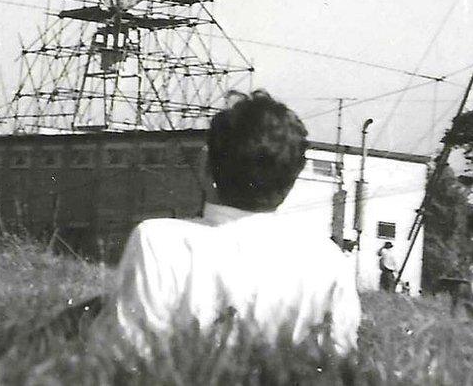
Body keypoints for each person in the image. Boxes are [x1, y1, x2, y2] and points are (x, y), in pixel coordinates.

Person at [97, 90, 361, 356]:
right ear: (292, 179)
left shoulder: (157, 241)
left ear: (205, 166)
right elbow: (338, 361)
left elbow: (125, 353)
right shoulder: (328, 260)